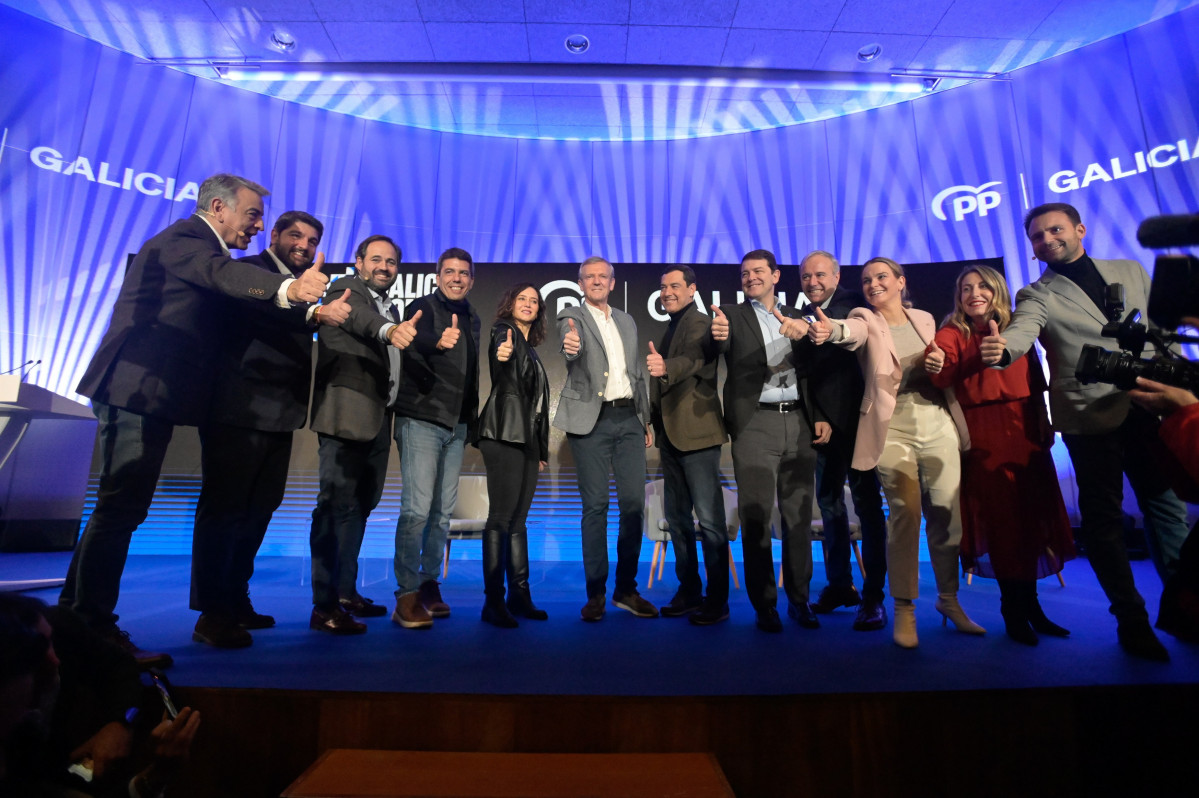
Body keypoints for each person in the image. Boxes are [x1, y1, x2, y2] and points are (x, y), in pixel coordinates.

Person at [61, 174, 329, 666]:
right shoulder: (187, 240)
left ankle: (75, 621)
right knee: (121, 509)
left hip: (154, 395)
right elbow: (221, 277)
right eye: (252, 214)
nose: (257, 224)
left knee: (118, 510)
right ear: (220, 208)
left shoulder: (204, 248)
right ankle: (90, 626)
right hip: (137, 388)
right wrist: (291, 289)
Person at [980, 202, 1190, 661]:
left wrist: (1177, 376)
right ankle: (1130, 620)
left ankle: (1186, 609)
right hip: (1089, 418)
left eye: (1055, 229)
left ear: (1079, 229)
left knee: (1167, 511)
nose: (1047, 239)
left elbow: (1163, 330)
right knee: (1104, 523)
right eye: (1037, 236)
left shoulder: (1130, 269)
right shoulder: (1035, 292)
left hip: (1150, 407)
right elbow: (1021, 335)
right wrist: (1001, 350)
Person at [190, 211, 352, 648]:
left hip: (280, 413)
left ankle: (234, 597)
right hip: (236, 411)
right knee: (224, 510)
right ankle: (211, 612)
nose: (304, 245)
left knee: (260, 508)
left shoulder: (306, 285)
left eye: (312, 239)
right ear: (275, 236)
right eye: (295, 235)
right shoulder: (250, 273)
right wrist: (313, 313)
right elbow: (260, 313)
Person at [809, 256, 983, 648]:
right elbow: (848, 331)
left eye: (882, 277)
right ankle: (904, 608)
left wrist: (939, 362)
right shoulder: (864, 318)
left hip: (937, 423)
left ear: (901, 281)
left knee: (946, 515)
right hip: (891, 429)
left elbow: (944, 368)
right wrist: (829, 329)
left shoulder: (923, 318)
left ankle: (949, 600)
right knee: (906, 514)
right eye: (867, 279)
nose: (872, 285)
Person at [925, 265, 1076, 645]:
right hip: (984, 433)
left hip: (1025, 428)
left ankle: (1033, 608)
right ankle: (1013, 610)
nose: (974, 293)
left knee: (1031, 522)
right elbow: (940, 368)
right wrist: (936, 361)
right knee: (1005, 524)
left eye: (982, 286)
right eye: (965, 289)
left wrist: (1043, 421)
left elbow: (1037, 381)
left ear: (996, 290)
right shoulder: (953, 331)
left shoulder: (1019, 327)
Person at [307, 235, 420, 635]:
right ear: (358, 263)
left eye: (391, 262)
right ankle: (323, 607)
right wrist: (389, 331)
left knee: (358, 509)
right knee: (334, 509)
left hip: (376, 420)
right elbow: (357, 318)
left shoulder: (388, 304)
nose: (384, 267)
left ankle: (344, 592)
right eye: (376, 260)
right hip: (345, 418)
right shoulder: (347, 290)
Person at [710, 249, 825, 633]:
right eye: (744, 273)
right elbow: (719, 345)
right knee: (755, 517)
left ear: (776, 275)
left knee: (798, 518)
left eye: (758, 271)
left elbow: (818, 369)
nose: (751, 277)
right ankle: (765, 605)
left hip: (800, 422)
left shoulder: (803, 314)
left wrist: (805, 336)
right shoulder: (730, 315)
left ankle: (800, 599)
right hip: (754, 423)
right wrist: (719, 336)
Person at [0, 593, 201, 798]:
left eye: (50, 642)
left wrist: (122, 722)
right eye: (36, 652)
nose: (54, 661)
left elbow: (120, 664)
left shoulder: (58, 626)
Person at [554, 256, 658, 622]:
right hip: (591, 423)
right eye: (589, 277)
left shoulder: (627, 321)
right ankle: (595, 592)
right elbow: (572, 344)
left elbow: (637, 373)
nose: (596, 281)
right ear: (580, 283)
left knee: (633, 506)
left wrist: (645, 418)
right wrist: (571, 346)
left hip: (628, 418)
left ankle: (625, 590)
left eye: (603, 276)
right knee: (595, 507)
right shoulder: (571, 315)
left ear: (613, 283)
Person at [796, 250, 889, 632]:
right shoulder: (805, 314)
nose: (812, 282)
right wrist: (819, 416)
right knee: (830, 504)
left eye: (819, 275)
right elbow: (810, 374)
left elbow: (852, 368)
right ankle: (839, 585)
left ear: (836, 276)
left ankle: (873, 597)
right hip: (826, 429)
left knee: (867, 510)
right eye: (805, 276)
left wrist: (834, 416)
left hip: (860, 427)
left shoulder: (855, 308)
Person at [391, 247, 481, 629]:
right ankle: (406, 594)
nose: (456, 278)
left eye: (463, 273)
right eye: (449, 271)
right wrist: (436, 342)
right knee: (416, 510)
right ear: (438, 275)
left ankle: (429, 584)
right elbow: (411, 340)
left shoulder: (473, 316)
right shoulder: (422, 306)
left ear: (471, 279)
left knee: (441, 513)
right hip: (422, 419)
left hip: (456, 426)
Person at [647, 266, 730, 625]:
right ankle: (690, 590)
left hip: (697, 436)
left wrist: (666, 365)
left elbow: (693, 358)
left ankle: (717, 600)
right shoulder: (671, 326)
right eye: (663, 287)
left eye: (675, 286)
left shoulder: (697, 321)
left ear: (692, 289)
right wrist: (651, 418)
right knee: (679, 521)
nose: (667, 292)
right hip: (671, 437)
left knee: (709, 522)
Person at [475, 283, 552, 628]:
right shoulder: (503, 331)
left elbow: (535, 405)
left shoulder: (531, 348)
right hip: (503, 432)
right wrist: (501, 354)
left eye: (534, 301)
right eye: (522, 298)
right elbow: (499, 354)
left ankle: (518, 595)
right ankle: (493, 602)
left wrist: (538, 448)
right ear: (510, 303)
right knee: (501, 518)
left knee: (518, 521)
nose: (528, 304)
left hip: (526, 441)